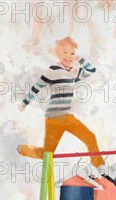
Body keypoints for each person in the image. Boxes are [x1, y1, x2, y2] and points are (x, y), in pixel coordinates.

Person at [17, 36, 106, 173]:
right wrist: (24, 103)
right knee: (47, 154)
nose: (69, 57)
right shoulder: (53, 70)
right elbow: (37, 87)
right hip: (53, 119)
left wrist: (78, 59)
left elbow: (91, 70)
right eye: (65, 53)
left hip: (67, 117)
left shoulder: (74, 73)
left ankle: (99, 166)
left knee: (90, 136)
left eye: (72, 53)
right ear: (58, 53)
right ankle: (23, 149)